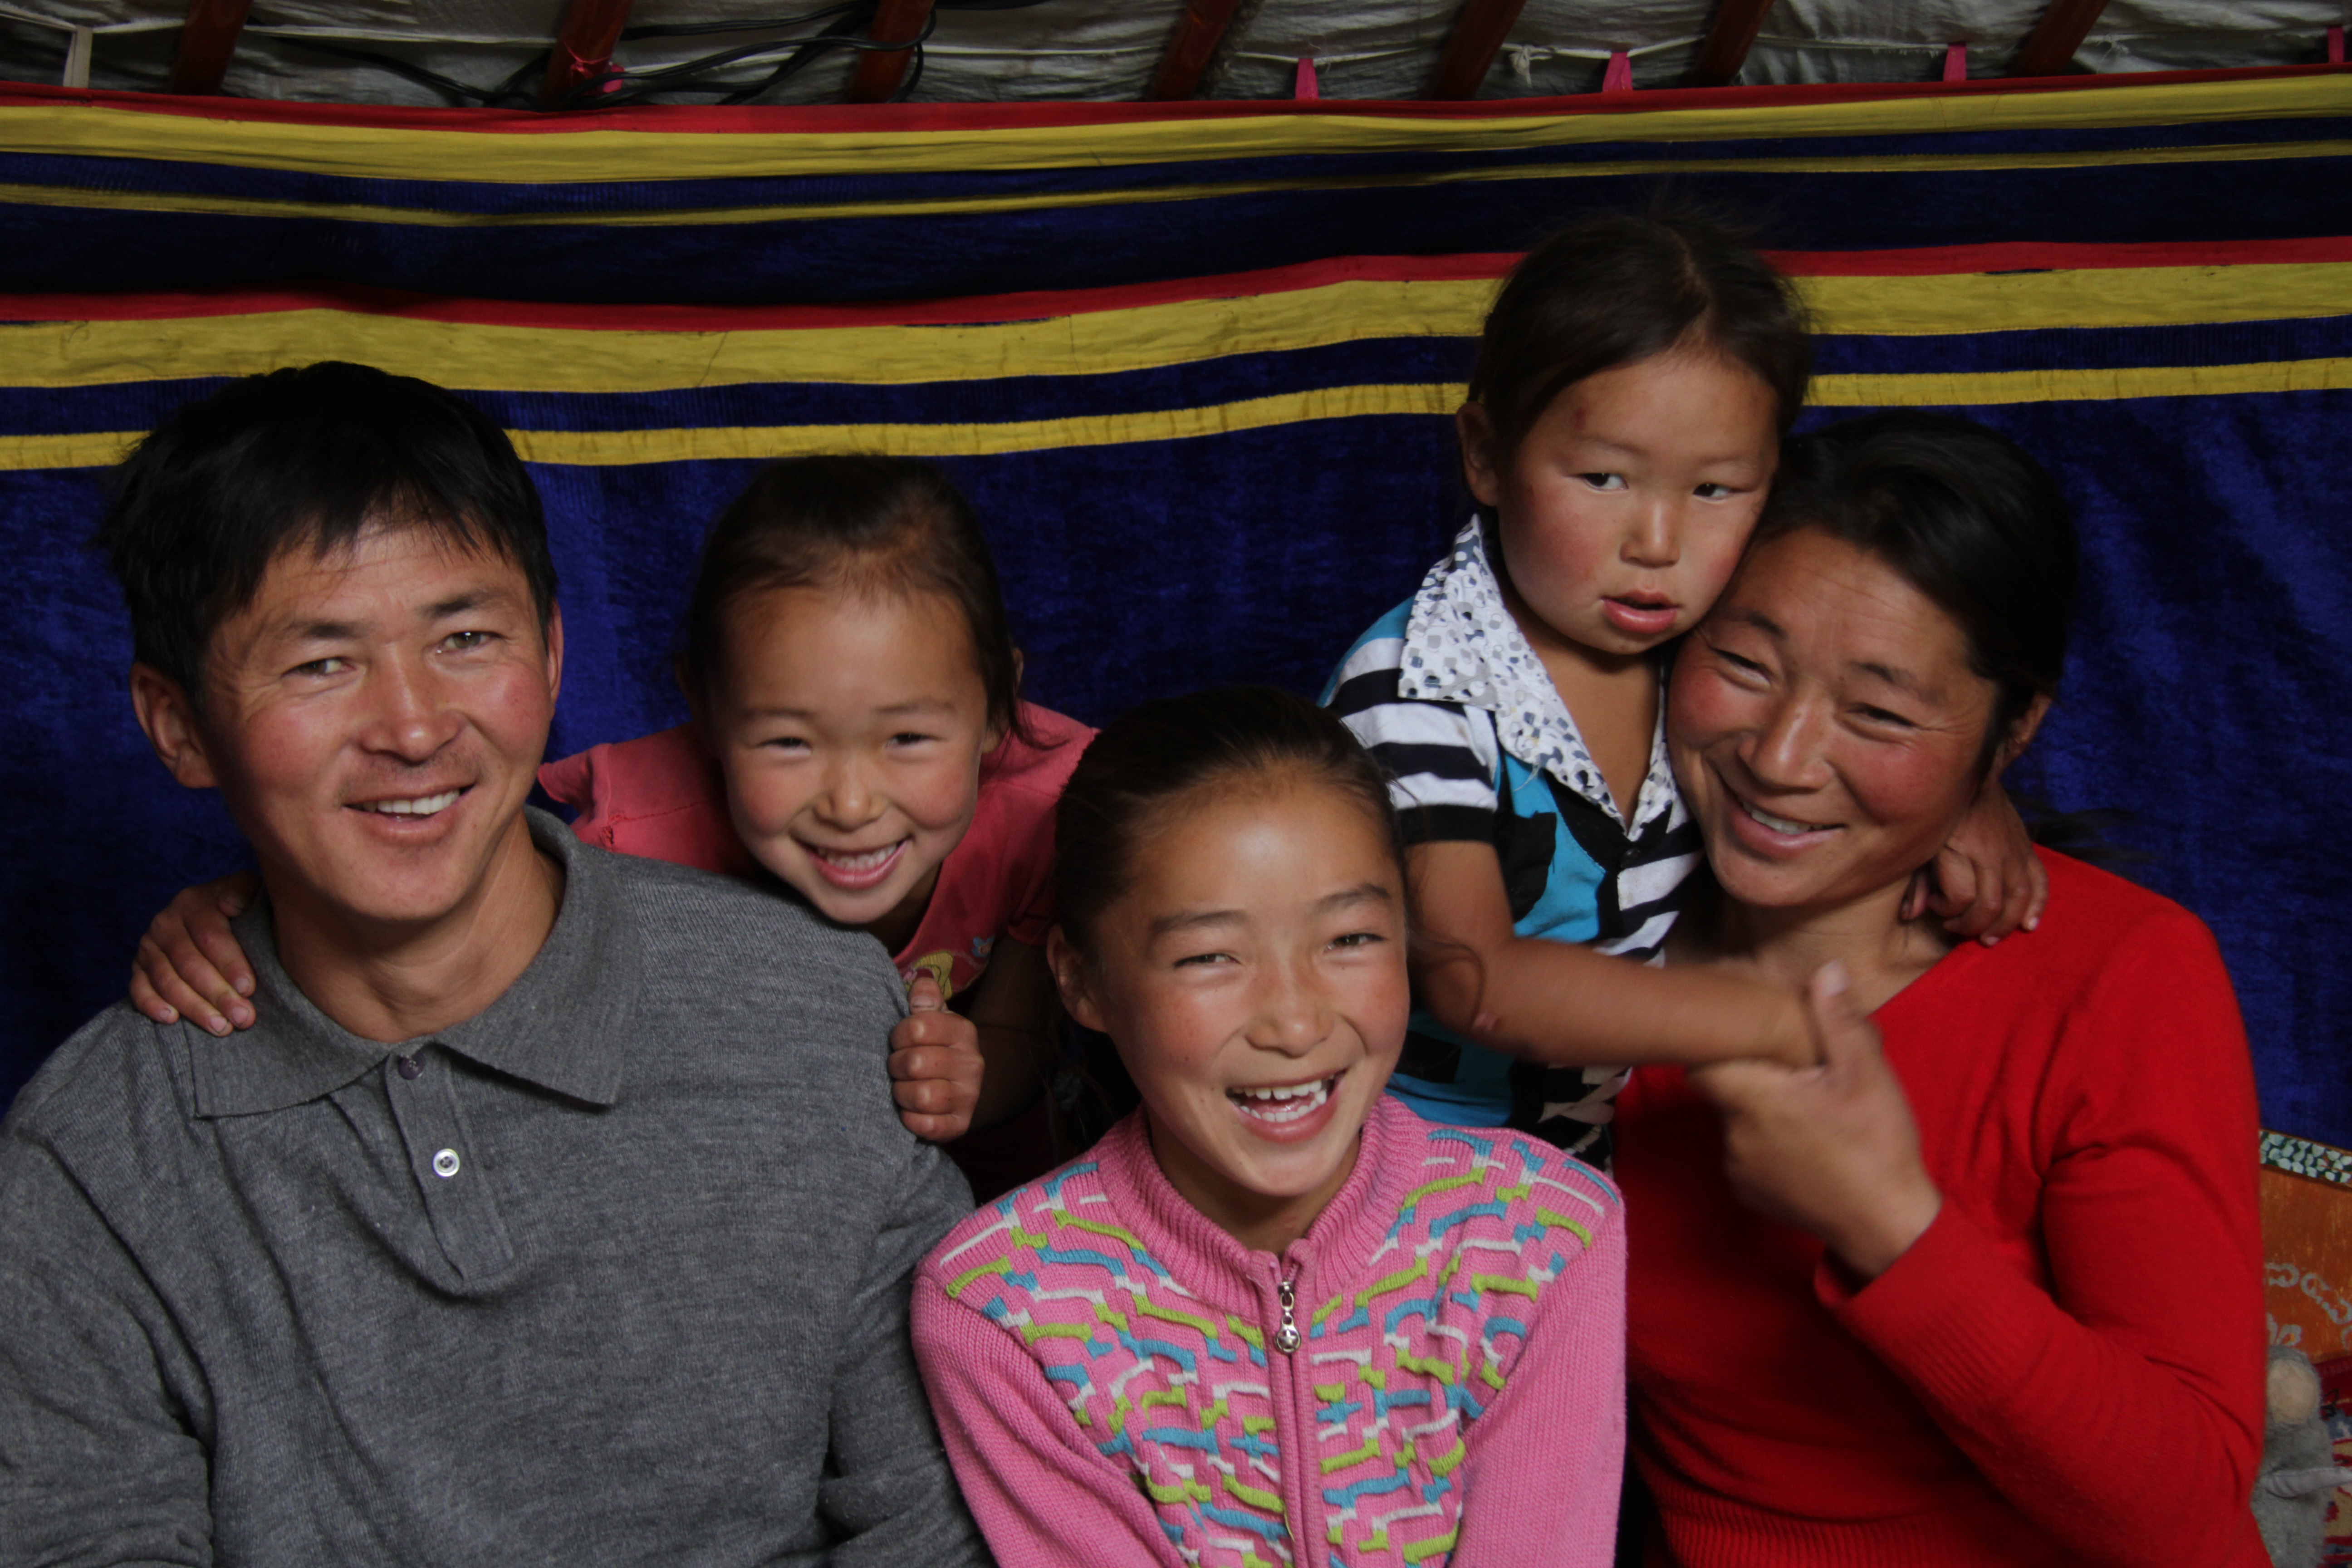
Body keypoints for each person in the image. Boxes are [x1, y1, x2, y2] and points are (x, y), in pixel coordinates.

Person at [0, 363, 989, 1563]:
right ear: (177, 726)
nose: (414, 728)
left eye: (466, 637)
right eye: (321, 663)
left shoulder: (815, 1016)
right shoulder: (92, 1164)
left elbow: (933, 1516)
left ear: (556, 654)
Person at [1615, 412, 2267, 1566]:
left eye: (1879, 714)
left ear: (2012, 734)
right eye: (1744, 665)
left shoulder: (2119, 976)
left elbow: (2190, 1515)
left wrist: (1889, 1221)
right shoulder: (1574, 948)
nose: (1781, 755)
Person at [127, 456, 1092, 1197]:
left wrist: (971, 1078)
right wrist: (254, 911)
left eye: (910, 738)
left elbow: (1017, 1024)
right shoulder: (636, 838)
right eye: (789, 744)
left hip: (990, 1206)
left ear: (998, 709)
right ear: (706, 712)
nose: (849, 803)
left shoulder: (1048, 819)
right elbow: (446, 899)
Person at [1324, 212, 2042, 1161]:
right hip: (1394, 1170)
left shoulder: (1711, 649)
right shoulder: (1416, 695)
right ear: (1489, 457)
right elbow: (1475, 980)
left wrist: (1969, 794)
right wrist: (1760, 1022)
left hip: (1584, 1179)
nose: (1657, 544)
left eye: (1715, 491)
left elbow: (1845, 726)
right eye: (1604, 478)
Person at [911, 688, 1627, 1568]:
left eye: (1351, 939)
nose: (1293, 1023)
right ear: (1081, 980)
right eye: (1211, 956)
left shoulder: (1545, 1236)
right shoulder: (1000, 1306)